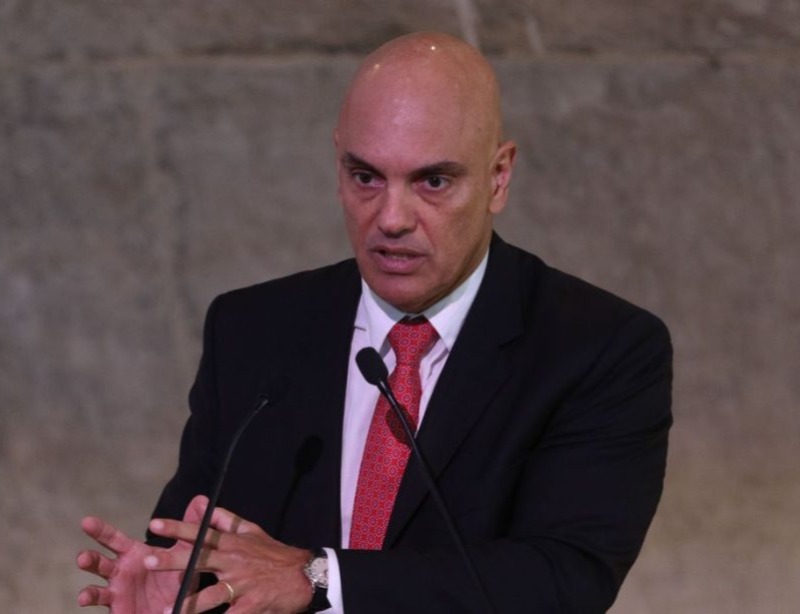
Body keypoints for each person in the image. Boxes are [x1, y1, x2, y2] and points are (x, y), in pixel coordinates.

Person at [76, 31, 672, 613]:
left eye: (432, 181)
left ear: (498, 177)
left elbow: (565, 579)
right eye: (366, 177)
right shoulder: (252, 331)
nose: (391, 218)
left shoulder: (599, 348)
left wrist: (320, 577)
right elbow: (198, 546)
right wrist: (171, 593)